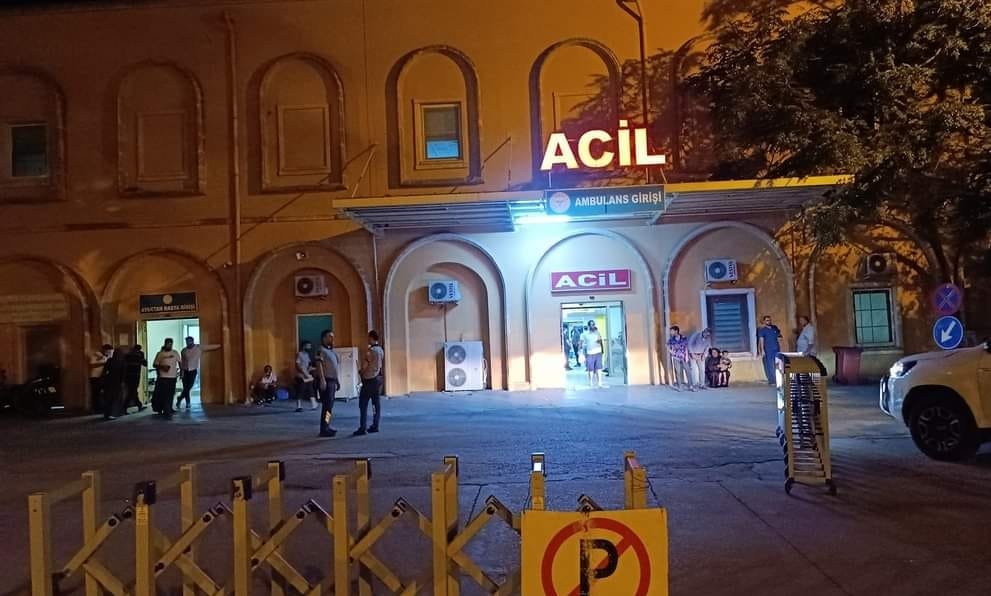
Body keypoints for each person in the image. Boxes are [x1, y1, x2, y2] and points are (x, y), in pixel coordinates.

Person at [353, 330, 385, 436]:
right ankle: (375, 425)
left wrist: (361, 372)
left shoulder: (370, 351)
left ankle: (363, 427)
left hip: (369, 380)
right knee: (376, 404)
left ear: (371, 338)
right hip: (377, 379)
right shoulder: (381, 350)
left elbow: (365, 365)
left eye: (368, 338)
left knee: (363, 404)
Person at [177, 336, 221, 410]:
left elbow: (209, 347)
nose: (188, 343)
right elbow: (182, 362)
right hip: (185, 371)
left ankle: (180, 398)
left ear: (192, 341)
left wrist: (220, 346)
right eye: (187, 342)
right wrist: (181, 372)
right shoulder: (183, 350)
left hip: (193, 371)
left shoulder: (198, 348)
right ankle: (188, 403)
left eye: (190, 341)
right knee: (186, 387)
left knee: (189, 386)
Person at [315, 330, 340, 437]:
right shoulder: (320, 350)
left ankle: (327, 425)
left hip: (332, 380)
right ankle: (324, 428)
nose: (332, 338)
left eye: (333, 336)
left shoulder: (332, 351)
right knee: (327, 406)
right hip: (326, 380)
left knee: (330, 406)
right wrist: (322, 380)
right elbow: (319, 365)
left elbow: (335, 367)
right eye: (330, 336)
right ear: (324, 338)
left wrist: (337, 380)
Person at [151, 338, 181, 419]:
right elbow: (155, 364)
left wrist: (181, 372)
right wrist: (162, 367)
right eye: (168, 343)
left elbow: (179, 362)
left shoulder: (175, 353)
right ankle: (166, 410)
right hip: (163, 377)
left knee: (171, 393)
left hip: (173, 377)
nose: (169, 345)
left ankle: (169, 408)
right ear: (165, 344)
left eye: (170, 344)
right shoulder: (160, 354)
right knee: (164, 394)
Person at [102, 346, 128, 420]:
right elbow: (123, 373)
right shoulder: (123, 361)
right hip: (118, 381)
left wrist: (104, 379)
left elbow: (105, 371)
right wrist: (122, 382)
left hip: (109, 381)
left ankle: (107, 413)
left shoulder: (110, 360)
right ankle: (114, 413)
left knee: (108, 397)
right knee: (116, 397)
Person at [757, 315, 784, 385]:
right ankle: (772, 380)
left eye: (769, 320)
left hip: (776, 349)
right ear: (764, 321)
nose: (769, 321)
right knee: (770, 365)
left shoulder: (774, 328)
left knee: (777, 365)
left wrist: (781, 347)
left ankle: (778, 380)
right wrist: (762, 350)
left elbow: (779, 337)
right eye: (767, 320)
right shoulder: (762, 330)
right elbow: (761, 341)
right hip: (768, 350)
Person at [89, 344, 113, 414]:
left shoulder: (107, 356)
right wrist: (104, 361)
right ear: (104, 350)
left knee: (104, 393)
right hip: (95, 377)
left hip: (103, 377)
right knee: (95, 393)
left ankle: (102, 407)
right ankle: (95, 408)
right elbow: (92, 363)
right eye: (108, 351)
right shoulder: (96, 354)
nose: (109, 353)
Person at [581, 320, 605, 388]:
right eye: (591, 325)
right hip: (590, 353)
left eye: (593, 324)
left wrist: (602, 350)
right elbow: (581, 342)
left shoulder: (597, 333)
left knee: (599, 368)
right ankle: (591, 382)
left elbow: (600, 341)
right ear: (588, 326)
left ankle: (599, 382)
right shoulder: (585, 334)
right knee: (590, 369)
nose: (592, 326)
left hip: (598, 352)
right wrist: (580, 351)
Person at [123, 344, 147, 413]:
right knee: (132, 391)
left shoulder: (128, 355)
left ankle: (138, 405)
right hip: (135, 375)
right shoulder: (140, 354)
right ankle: (125, 406)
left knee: (132, 391)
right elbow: (145, 363)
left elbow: (125, 364)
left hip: (128, 376)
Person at [294, 341, 317, 412]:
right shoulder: (299, 354)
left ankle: (314, 404)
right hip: (301, 375)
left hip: (307, 375)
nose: (310, 347)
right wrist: (304, 373)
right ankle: (299, 406)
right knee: (301, 390)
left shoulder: (307, 354)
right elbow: (297, 365)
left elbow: (309, 364)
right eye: (308, 346)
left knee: (310, 389)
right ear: (304, 346)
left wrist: (311, 369)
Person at [667, 326, 691, 390]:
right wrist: (671, 352)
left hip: (684, 357)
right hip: (676, 357)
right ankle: (680, 386)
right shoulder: (671, 339)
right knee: (678, 372)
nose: (671, 332)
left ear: (676, 331)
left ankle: (690, 385)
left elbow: (686, 347)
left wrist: (687, 356)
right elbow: (667, 345)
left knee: (688, 371)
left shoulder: (683, 338)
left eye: (672, 331)